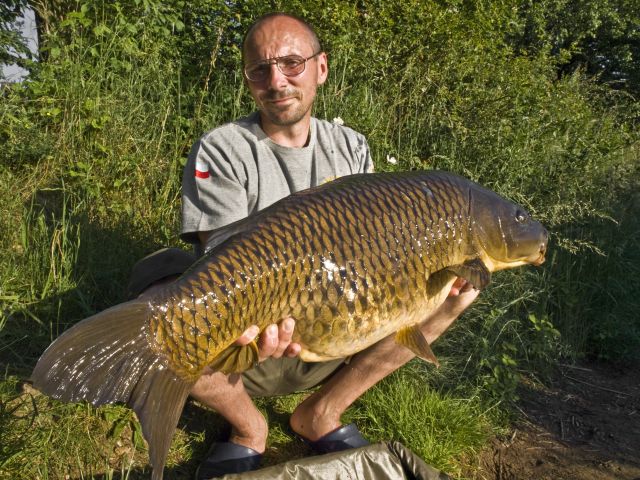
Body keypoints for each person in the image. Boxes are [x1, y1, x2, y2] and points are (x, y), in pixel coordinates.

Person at [128, 12, 479, 479]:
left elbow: (375, 248)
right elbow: (223, 260)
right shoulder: (222, 147)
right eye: (260, 69)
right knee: (163, 284)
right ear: (248, 79)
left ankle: (321, 412)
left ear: (321, 69)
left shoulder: (350, 147)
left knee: (458, 289)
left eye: (292, 63)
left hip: (338, 328)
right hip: (244, 339)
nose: (277, 81)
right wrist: (272, 307)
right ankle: (249, 427)